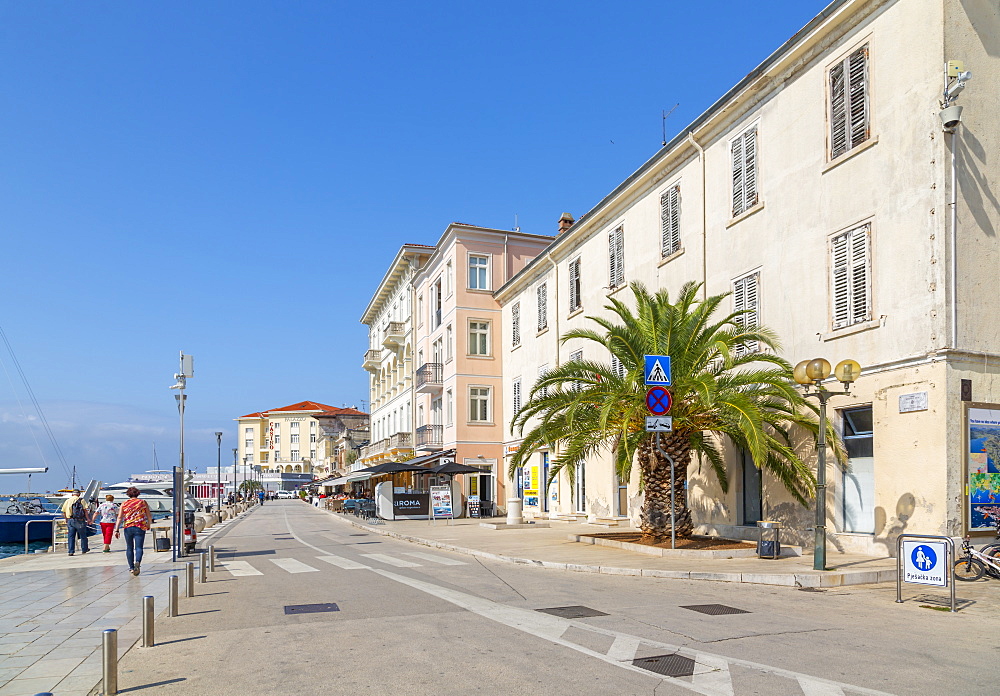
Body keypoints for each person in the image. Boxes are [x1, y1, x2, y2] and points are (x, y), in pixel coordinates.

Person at [113, 486, 152, 576]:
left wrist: (117, 530)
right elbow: (149, 515)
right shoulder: (142, 502)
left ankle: (131, 568)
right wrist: (149, 525)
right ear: (138, 493)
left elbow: (119, 517)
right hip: (140, 526)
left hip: (128, 527)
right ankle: (137, 562)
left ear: (128, 494)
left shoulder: (124, 503)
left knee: (129, 547)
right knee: (139, 547)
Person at [61, 489, 91, 556]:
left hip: (70, 520)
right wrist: (88, 519)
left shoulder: (68, 501)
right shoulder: (81, 500)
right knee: (83, 536)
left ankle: (71, 551)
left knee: (71, 536)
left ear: (72, 494)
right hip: (80, 520)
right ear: (79, 494)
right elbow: (85, 510)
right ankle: (84, 549)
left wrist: (66, 519)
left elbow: (64, 512)